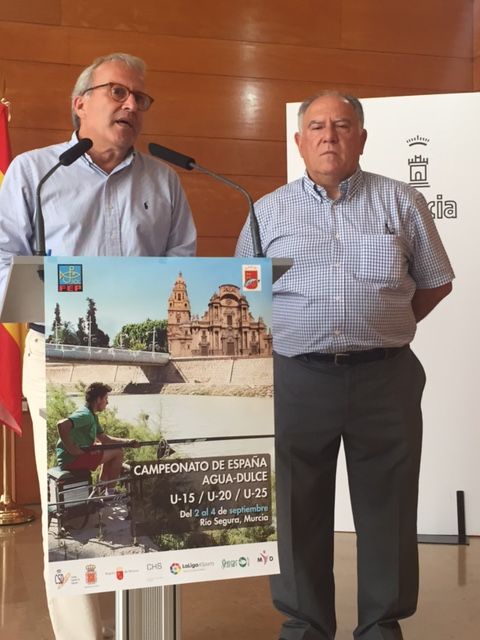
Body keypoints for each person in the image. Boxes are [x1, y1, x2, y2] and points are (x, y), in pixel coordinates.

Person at [235, 91, 454, 640]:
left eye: (341, 124)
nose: (328, 135)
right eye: (316, 126)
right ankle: (304, 625)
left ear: (361, 137)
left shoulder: (401, 201)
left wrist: (382, 326)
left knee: (389, 505)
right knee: (296, 505)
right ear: (298, 141)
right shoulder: (266, 211)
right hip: (297, 378)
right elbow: (245, 293)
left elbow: (435, 282)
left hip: (385, 377)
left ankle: (381, 626)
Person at [0, 52, 196, 640]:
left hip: (137, 354)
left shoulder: (163, 179)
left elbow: (181, 262)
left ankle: (145, 629)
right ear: (80, 103)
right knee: (70, 498)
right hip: (55, 351)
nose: (131, 105)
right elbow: (4, 260)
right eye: (118, 92)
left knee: (143, 490)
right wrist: (63, 301)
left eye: (141, 98)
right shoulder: (36, 173)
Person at [56, 382, 139, 494]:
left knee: (107, 447)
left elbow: (105, 440)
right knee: (118, 453)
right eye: (106, 398)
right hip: (72, 459)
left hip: (73, 457)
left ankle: (101, 489)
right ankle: (110, 492)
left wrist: (128, 442)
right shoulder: (86, 415)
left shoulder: (91, 415)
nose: (107, 402)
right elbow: (61, 425)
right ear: (98, 399)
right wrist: (72, 449)